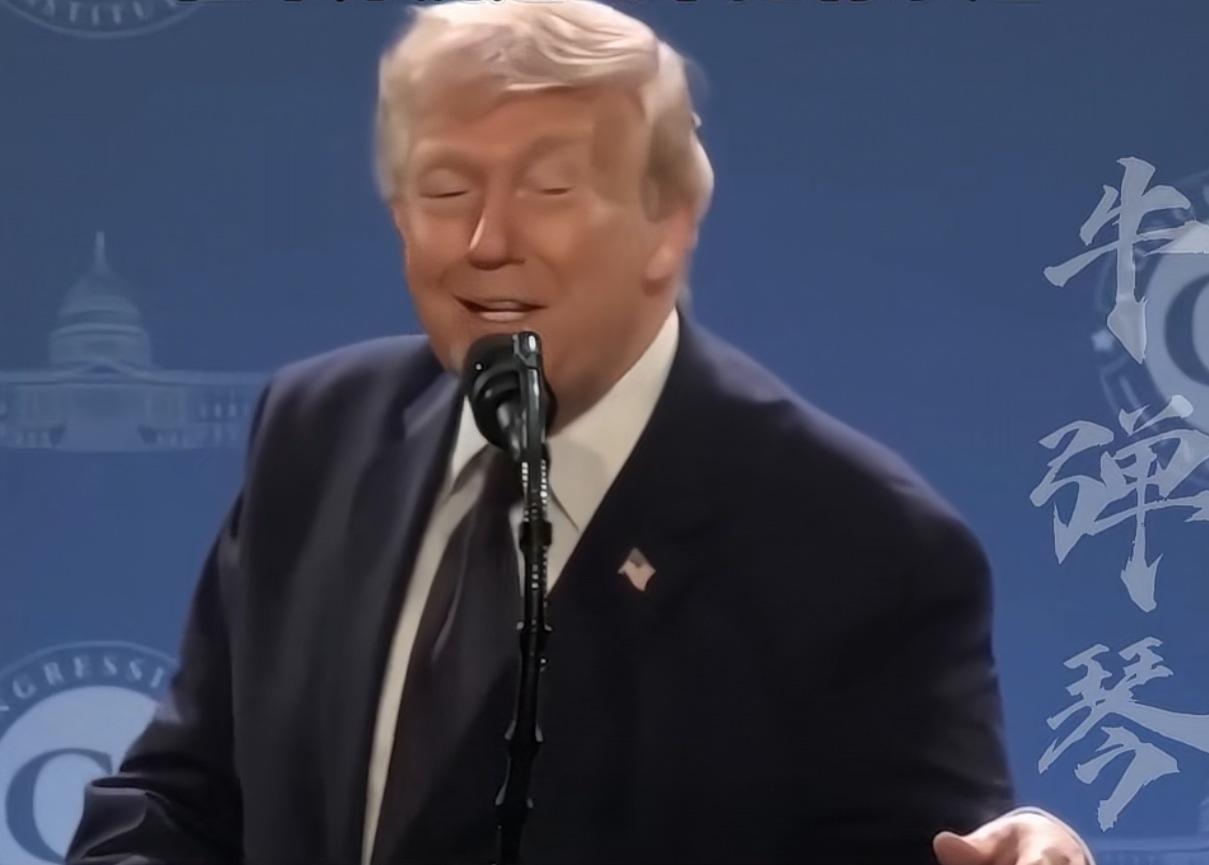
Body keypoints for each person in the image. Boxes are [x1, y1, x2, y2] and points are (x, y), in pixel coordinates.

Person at [68, 2, 1095, 864]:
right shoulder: (318, 432)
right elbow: (181, 797)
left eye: (549, 188)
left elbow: (950, 851)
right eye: (445, 190)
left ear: (668, 225)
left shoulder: (861, 546)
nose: (488, 242)